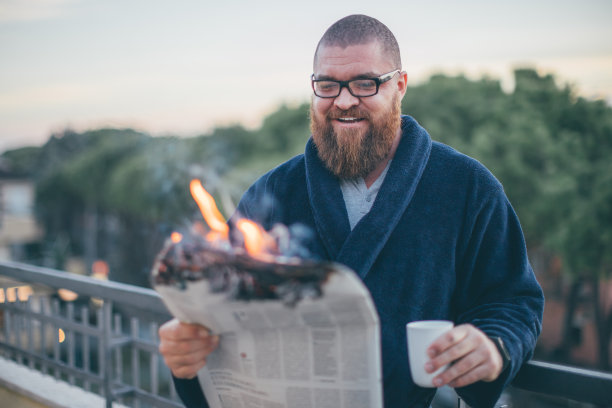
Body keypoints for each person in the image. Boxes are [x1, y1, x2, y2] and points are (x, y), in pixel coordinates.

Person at [159, 14, 544, 408]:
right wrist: (188, 354)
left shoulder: (468, 187)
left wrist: (494, 345)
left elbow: (513, 298)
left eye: (365, 83)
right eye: (327, 85)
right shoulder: (272, 192)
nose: (343, 101)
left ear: (399, 86)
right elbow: (221, 309)